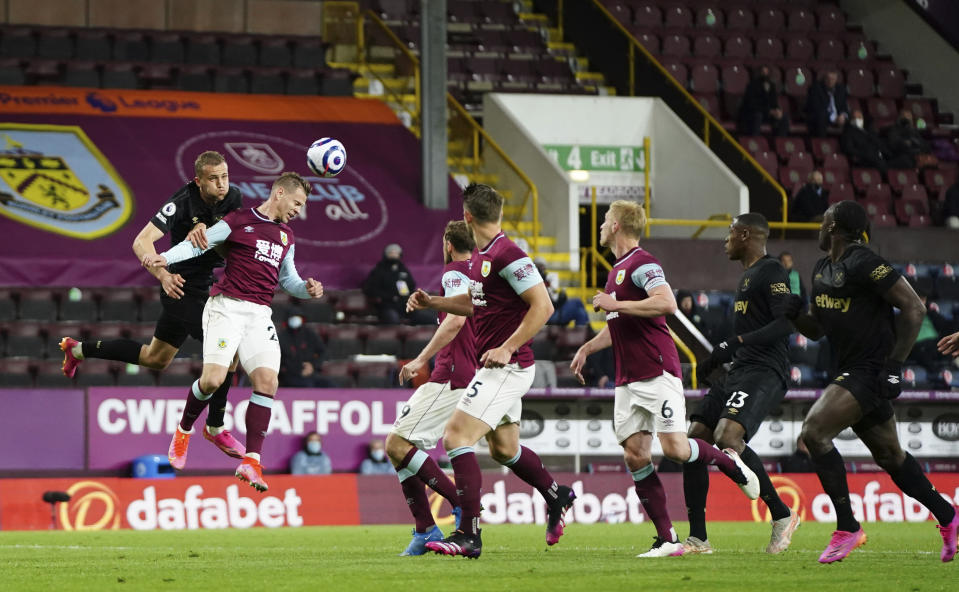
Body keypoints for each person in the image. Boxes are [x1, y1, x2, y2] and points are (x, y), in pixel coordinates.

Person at [569, 200, 760, 558]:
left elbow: (666, 303)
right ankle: (667, 539)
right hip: (627, 379)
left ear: (616, 227)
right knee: (635, 455)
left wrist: (617, 304)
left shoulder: (644, 263)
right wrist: (589, 348)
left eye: (604, 220)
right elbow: (619, 325)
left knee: (674, 449)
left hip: (657, 371)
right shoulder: (615, 271)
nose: (599, 226)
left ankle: (729, 461)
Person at [407, 183, 576, 559]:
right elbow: (474, 302)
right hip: (499, 363)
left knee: (455, 437)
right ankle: (557, 494)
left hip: (507, 366)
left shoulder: (508, 254)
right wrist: (432, 300)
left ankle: (468, 533)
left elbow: (543, 306)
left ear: (467, 217)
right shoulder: (485, 257)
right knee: (504, 449)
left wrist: (508, 346)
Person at [783, 200, 958, 563]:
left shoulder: (866, 262)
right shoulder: (822, 268)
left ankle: (848, 527)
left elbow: (914, 308)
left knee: (814, 432)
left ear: (835, 227)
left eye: (823, 220)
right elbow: (816, 330)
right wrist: (794, 313)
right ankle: (949, 516)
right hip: (851, 370)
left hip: (870, 369)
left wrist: (895, 365)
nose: (818, 226)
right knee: (891, 456)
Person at [143, 172, 325, 493]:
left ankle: (251, 462)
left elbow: (289, 280)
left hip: (258, 313)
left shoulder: (287, 237)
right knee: (213, 379)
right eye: (297, 202)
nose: (299, 209)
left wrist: (307, 289)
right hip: (226, 307)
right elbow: (197, 245)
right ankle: (184, 430)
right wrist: (164, 259)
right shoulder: (239, 220)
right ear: (280, 193)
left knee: (268, 381)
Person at [60, 151, 245, 460]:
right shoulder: (182, 202)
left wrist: (211, 237)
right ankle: (215, 427)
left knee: (155, 358)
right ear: (199, 181)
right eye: (213, 179)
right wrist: (162, 274)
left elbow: (232, 244)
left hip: (205, 285)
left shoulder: (234, 197)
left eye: (225, 176)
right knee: (230, 351)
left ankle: (77, 349)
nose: (222, 184)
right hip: (179, 287)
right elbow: (141, 242)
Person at [684, 213, 799, 555]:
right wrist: (719, 358)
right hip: (740, 369)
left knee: (728, 436)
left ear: (745, 234)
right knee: (694, 443)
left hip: (766, 369)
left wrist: (735, 342)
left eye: (730, 233)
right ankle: (699, 539)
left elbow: (786, 324)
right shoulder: (748, 275)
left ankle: (781, 515)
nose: (725, 240)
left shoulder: (772, 270)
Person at [388, 220, 474, 556]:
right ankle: (425, 527)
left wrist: (419, 360)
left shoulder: (454, 271)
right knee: (402, 449)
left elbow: (454, 321)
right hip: (468, 373)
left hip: (450, 374)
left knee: (396, 444)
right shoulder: (480, 274)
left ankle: (461, 505)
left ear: (448, 245)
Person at [363, 243, 432, 325]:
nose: (393, 255)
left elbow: (411, 286)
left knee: (427, 317)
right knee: (393, 319)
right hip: (387, 305)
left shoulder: (403, 270)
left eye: (396, 253)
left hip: (404, 304)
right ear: (386, 255)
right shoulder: (379, 271)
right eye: (391, 253)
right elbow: (370, 289)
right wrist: (388, 297)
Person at [839, 109, 908, 174]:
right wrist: (863, 154)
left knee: (905, 159)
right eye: (856, 117)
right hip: (867, 158)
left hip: (883, 155)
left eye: (860, 117)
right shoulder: (848, 132)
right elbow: (848, 148)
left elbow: (879, 143)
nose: (859, 119)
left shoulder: (869, 131)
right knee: (884, 166)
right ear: (851, 119)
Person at [277, 308, 331, 388]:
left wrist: (312, 365)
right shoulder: (281, 337)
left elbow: (323, 352)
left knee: (330, 385)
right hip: (289, 376)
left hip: (311, 374)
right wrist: (293, 369)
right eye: (292, 317)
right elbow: (279, 360)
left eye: (298, 317)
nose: (295, 320)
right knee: (307, 385)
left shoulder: (310, 335)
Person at [737, 65, 789, 137]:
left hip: (767, 114)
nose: (765, 74)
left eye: (766, 72)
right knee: (758, 116)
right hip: (753, 113)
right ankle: (755, 140)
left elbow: (774, 102)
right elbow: (752, 105)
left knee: (783, 117)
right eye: (763, 72)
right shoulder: (752, 86)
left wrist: (777, 110)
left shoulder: (771, 85)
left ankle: (780, 141)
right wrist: (769, 111)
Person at [536, 257, 588, 327]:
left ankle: (587, 330)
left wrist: (560, 296)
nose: (543, 269)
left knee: (578, 302)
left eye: (543, 267)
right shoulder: (536, 283)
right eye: (540, 267)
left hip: (554, 310)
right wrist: (560, 298)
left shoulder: (545, 281)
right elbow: (552, 303)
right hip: (549, 315)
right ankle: (585, 333)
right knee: (580, 313)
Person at [805, 69, 849, 137]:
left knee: (855, 117)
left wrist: (843, 115)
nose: (830, 81)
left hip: (837, 118)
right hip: (822, 117)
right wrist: (833, 118)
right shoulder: (816, 88)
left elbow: (844, 106)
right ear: (824, 79)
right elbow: (816, 108)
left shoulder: (841, 89)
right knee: (821, 117)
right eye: (828, 79)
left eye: (833, 79)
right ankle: (822, 144)